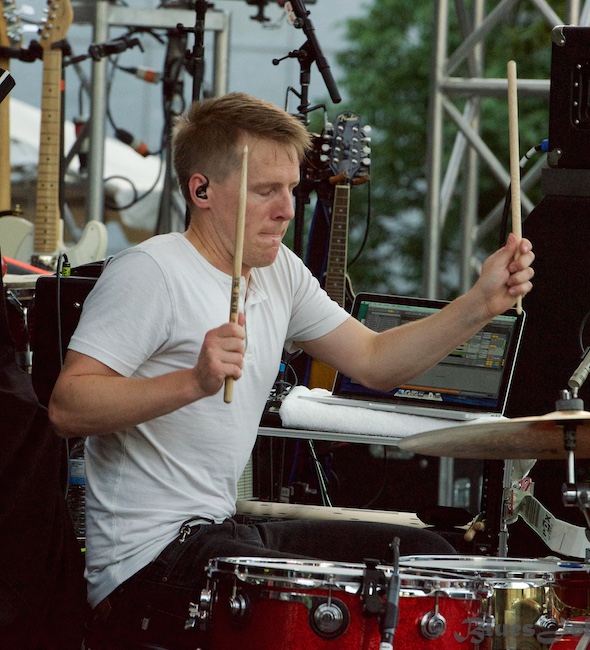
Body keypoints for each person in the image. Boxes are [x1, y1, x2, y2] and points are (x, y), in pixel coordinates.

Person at [48, 92, 535, 648]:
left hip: (218, 534)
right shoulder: (151, 271)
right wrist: (193, 381)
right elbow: (68, 406)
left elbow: (376, 363)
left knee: (428, 561)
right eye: (265, 191)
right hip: (147, 564)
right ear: (201, 190)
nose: (285, 208)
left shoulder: (279, 269)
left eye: (290, 189)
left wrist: (479, 303)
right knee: (315, 601)